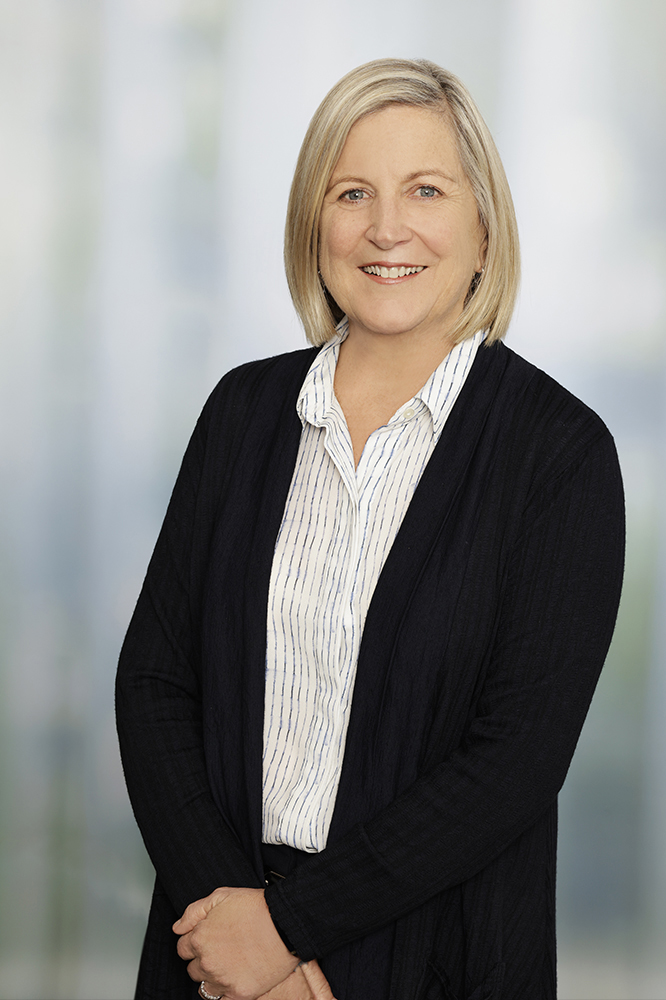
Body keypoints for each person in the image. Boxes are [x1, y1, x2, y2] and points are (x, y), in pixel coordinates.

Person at [116, 58, 625, 1000]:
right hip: (213, 951)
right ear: (317, 226)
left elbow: (514, 762)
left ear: (483, 226)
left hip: (442, 955)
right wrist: (234, 929)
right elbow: (154, 683)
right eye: (353, 193)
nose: (387, 228)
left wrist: (289, 931)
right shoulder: (241, 412)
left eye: (425, 190)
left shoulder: (560, 456)